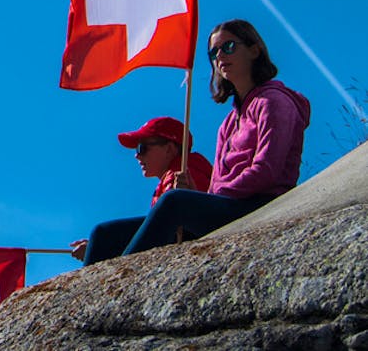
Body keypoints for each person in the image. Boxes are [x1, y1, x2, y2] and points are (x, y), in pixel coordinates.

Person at [120, 19, 311, 256]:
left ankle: (131, 283)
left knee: (174, 203)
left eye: (228, 47)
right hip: (229, 205)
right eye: (213, 52)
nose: (220, 56)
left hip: (262, 203)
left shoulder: (275, 102)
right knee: (106, 234)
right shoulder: (228, 124)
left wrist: (211, 197)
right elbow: (216, 183)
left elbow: (267, 172)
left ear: (254, 50)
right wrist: (199, 195)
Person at [70, 117, 212, 266]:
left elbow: (172, 230)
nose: (137, 155)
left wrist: (103, 245)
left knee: (103, 234)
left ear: (169, 149)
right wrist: (98, 247)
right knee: (102, 238)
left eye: (142, 148)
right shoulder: (182, 171)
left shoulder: (183, 171)